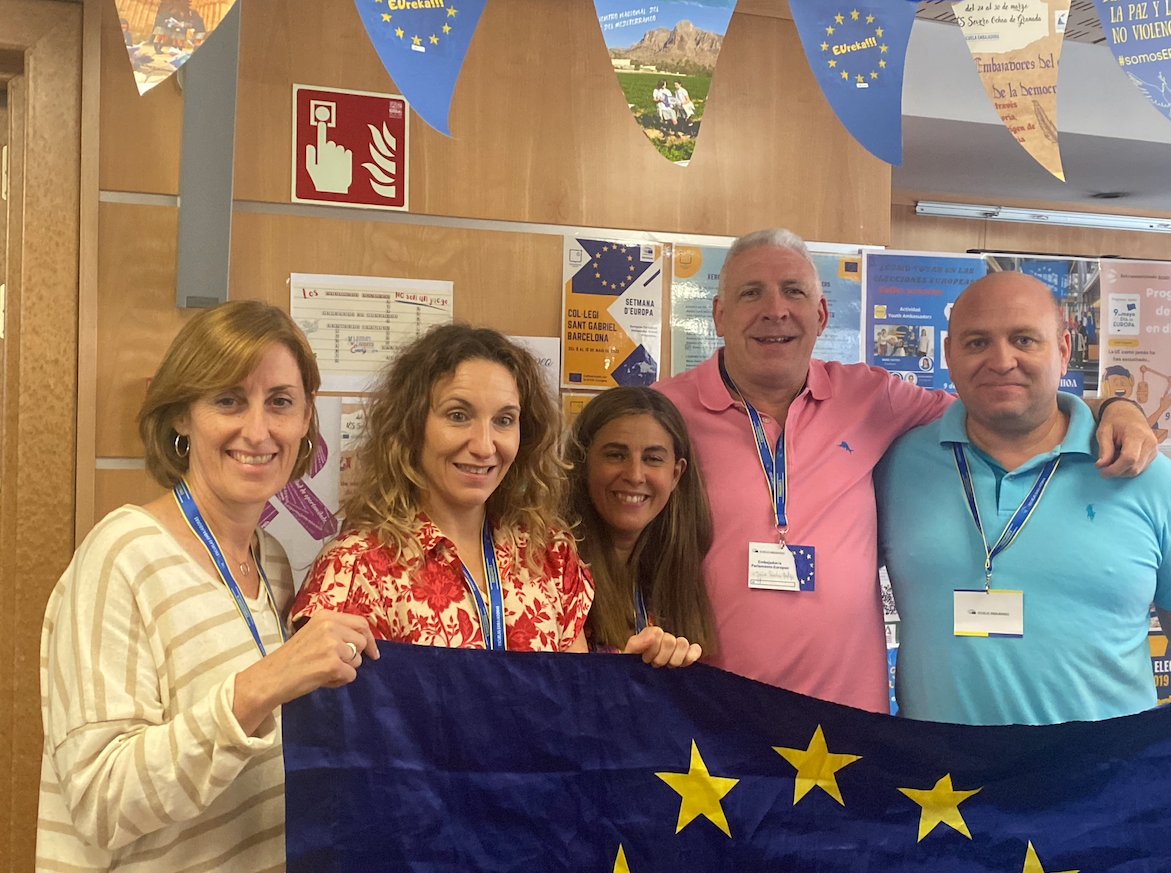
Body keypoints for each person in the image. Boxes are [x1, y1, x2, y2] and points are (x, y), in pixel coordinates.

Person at [653, 229, 1158, 713]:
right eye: (751, 293)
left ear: (821, 314)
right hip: (708, 714)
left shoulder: (871, 399)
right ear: (719, 315)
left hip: (849, 729)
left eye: (794, 291)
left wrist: (1117, 408)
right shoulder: (660, 415)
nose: (775, 310)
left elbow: (1004, 403)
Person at [37, 302, 378, 872]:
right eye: (228, 400)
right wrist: (259, 686)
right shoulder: (122, 556)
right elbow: (101, 801)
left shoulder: (272, 563)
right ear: (181, 416)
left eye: (280, 402)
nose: (258, 431)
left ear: (305, 418)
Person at [877, 272, 1171, 725]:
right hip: (939, 767)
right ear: (949, 356)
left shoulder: (1144, 473)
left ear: (1064, 350)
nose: (1001, 361)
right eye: (977, 342)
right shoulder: (896, 465)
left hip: (1103, 766)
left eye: (1024, 340)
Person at [293, 326, 601, 654]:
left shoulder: (549, 555)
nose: (484, 447)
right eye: (458, 416)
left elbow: (577, 686)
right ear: (411, 426)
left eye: (504, 420)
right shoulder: (355, 568)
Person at [566, 387, 714, 667]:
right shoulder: (553, 568)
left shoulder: (676, 571)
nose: (635, 475)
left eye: (652, 459)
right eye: (615, 455)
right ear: (583, 463)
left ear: (676, 474)